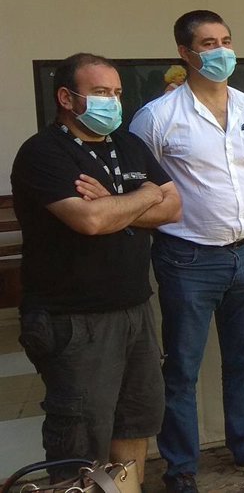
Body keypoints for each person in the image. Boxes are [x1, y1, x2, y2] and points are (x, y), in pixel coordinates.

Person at [129, 10, 244, 493]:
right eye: (208, 44)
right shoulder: (157, 117)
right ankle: (181, 467)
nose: (221, 51)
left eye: (226, 40)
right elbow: (143, 187)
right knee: (181, 367)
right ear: (184, 53)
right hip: (187, 258)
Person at [12, 53, 180, 484]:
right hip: (74, 319)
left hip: (134, 307)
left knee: (135, 422)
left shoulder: (128, 144)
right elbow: (90, 221)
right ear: (66, 97)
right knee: (81, 438)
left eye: (117, 93)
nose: (113, 102)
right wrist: (145, 196)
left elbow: (175, 207)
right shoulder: (43, 152)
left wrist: (114, 203)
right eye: (101, 92)